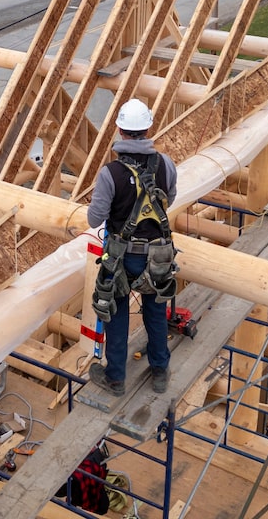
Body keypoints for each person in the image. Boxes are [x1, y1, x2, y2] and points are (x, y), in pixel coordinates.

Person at [87, 99, 178, 396]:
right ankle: (160, 372)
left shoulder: (110, 173)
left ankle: (115, 378)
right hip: (158, 257)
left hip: (122, 259)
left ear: (120, 130)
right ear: (148, 128)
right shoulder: (165, 164)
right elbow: (169, 200)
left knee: (115, 314)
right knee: (155, 313)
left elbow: (94, 218)